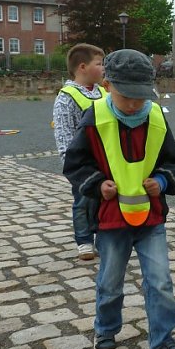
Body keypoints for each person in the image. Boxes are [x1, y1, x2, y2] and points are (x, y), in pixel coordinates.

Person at [63, 49, 175, 349]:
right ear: (108, 85)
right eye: (127, 97)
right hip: (111, 221)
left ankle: (163, 342)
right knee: (110, 281)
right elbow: (75, 163)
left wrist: (162, 182)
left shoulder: (157, 117)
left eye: (141, 97)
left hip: (151, 219)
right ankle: (105, 330)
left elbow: (173, 161)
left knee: (160, 281)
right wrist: (97, 185)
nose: (134, 104)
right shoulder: (94, 117)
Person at [53, 43, 105, 261]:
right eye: (99, 64)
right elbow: (64, 134)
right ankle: (84, 241)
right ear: (83, 67)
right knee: (83, 200)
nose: (104, 68)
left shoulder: (104, 92)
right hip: (82, 162)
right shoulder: (67, 97)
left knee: (104, 201)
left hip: (106, 159)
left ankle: (104, 239)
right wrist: (70, 164)